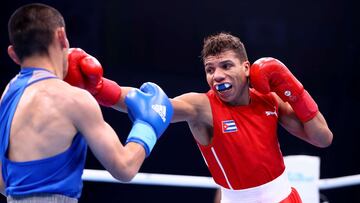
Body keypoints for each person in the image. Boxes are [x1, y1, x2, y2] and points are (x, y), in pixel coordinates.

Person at [67, 32, 333, 202]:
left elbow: (322, 138)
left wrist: (293, 89)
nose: (217, 75)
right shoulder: (202, 106)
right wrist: (99, 88)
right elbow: (150, 104)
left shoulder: (269, 100)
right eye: (210, 69)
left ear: (246, 67)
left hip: (287, 197)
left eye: (226, 66)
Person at [0, 3, 173, 202]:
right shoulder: (74, 99)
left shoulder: (8, 95)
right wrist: (148, 127)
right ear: (61, 37)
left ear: (13, 53)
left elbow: (4, 182)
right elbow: (124, 168)